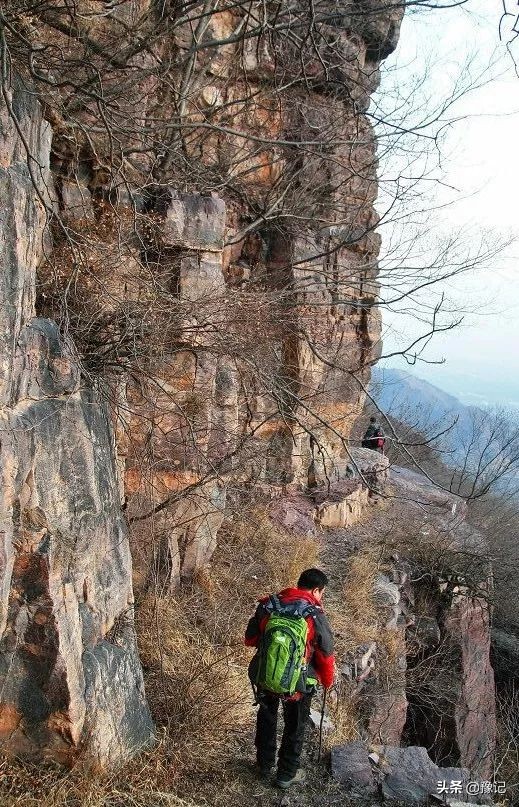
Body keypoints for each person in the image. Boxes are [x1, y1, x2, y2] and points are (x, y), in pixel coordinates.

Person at [245, 568, 335, 789]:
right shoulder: (314, 614)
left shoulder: (269, 604)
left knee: (267, 716)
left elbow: (250, 639)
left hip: (265, 675)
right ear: (316, 590)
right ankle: (286, 774)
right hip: (299, 682)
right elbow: (325, 654)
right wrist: (326, 680)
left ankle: (264, 765)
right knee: (295, 725)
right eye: (321, 593)